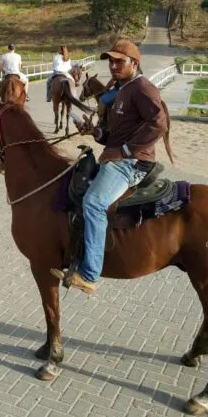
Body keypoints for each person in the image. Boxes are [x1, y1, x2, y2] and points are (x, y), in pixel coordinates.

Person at [51, 39, 167, 294]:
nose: (113, 66)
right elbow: (110, 135)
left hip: (131, 162)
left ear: (134, 63)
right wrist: (94, 131)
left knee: (93, 202)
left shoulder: (142, 88)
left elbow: (159, 124)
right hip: (115, 155)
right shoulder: (122, 89)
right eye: (110, 61)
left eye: (119, 61)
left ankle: (90, 275)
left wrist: (126, 150)